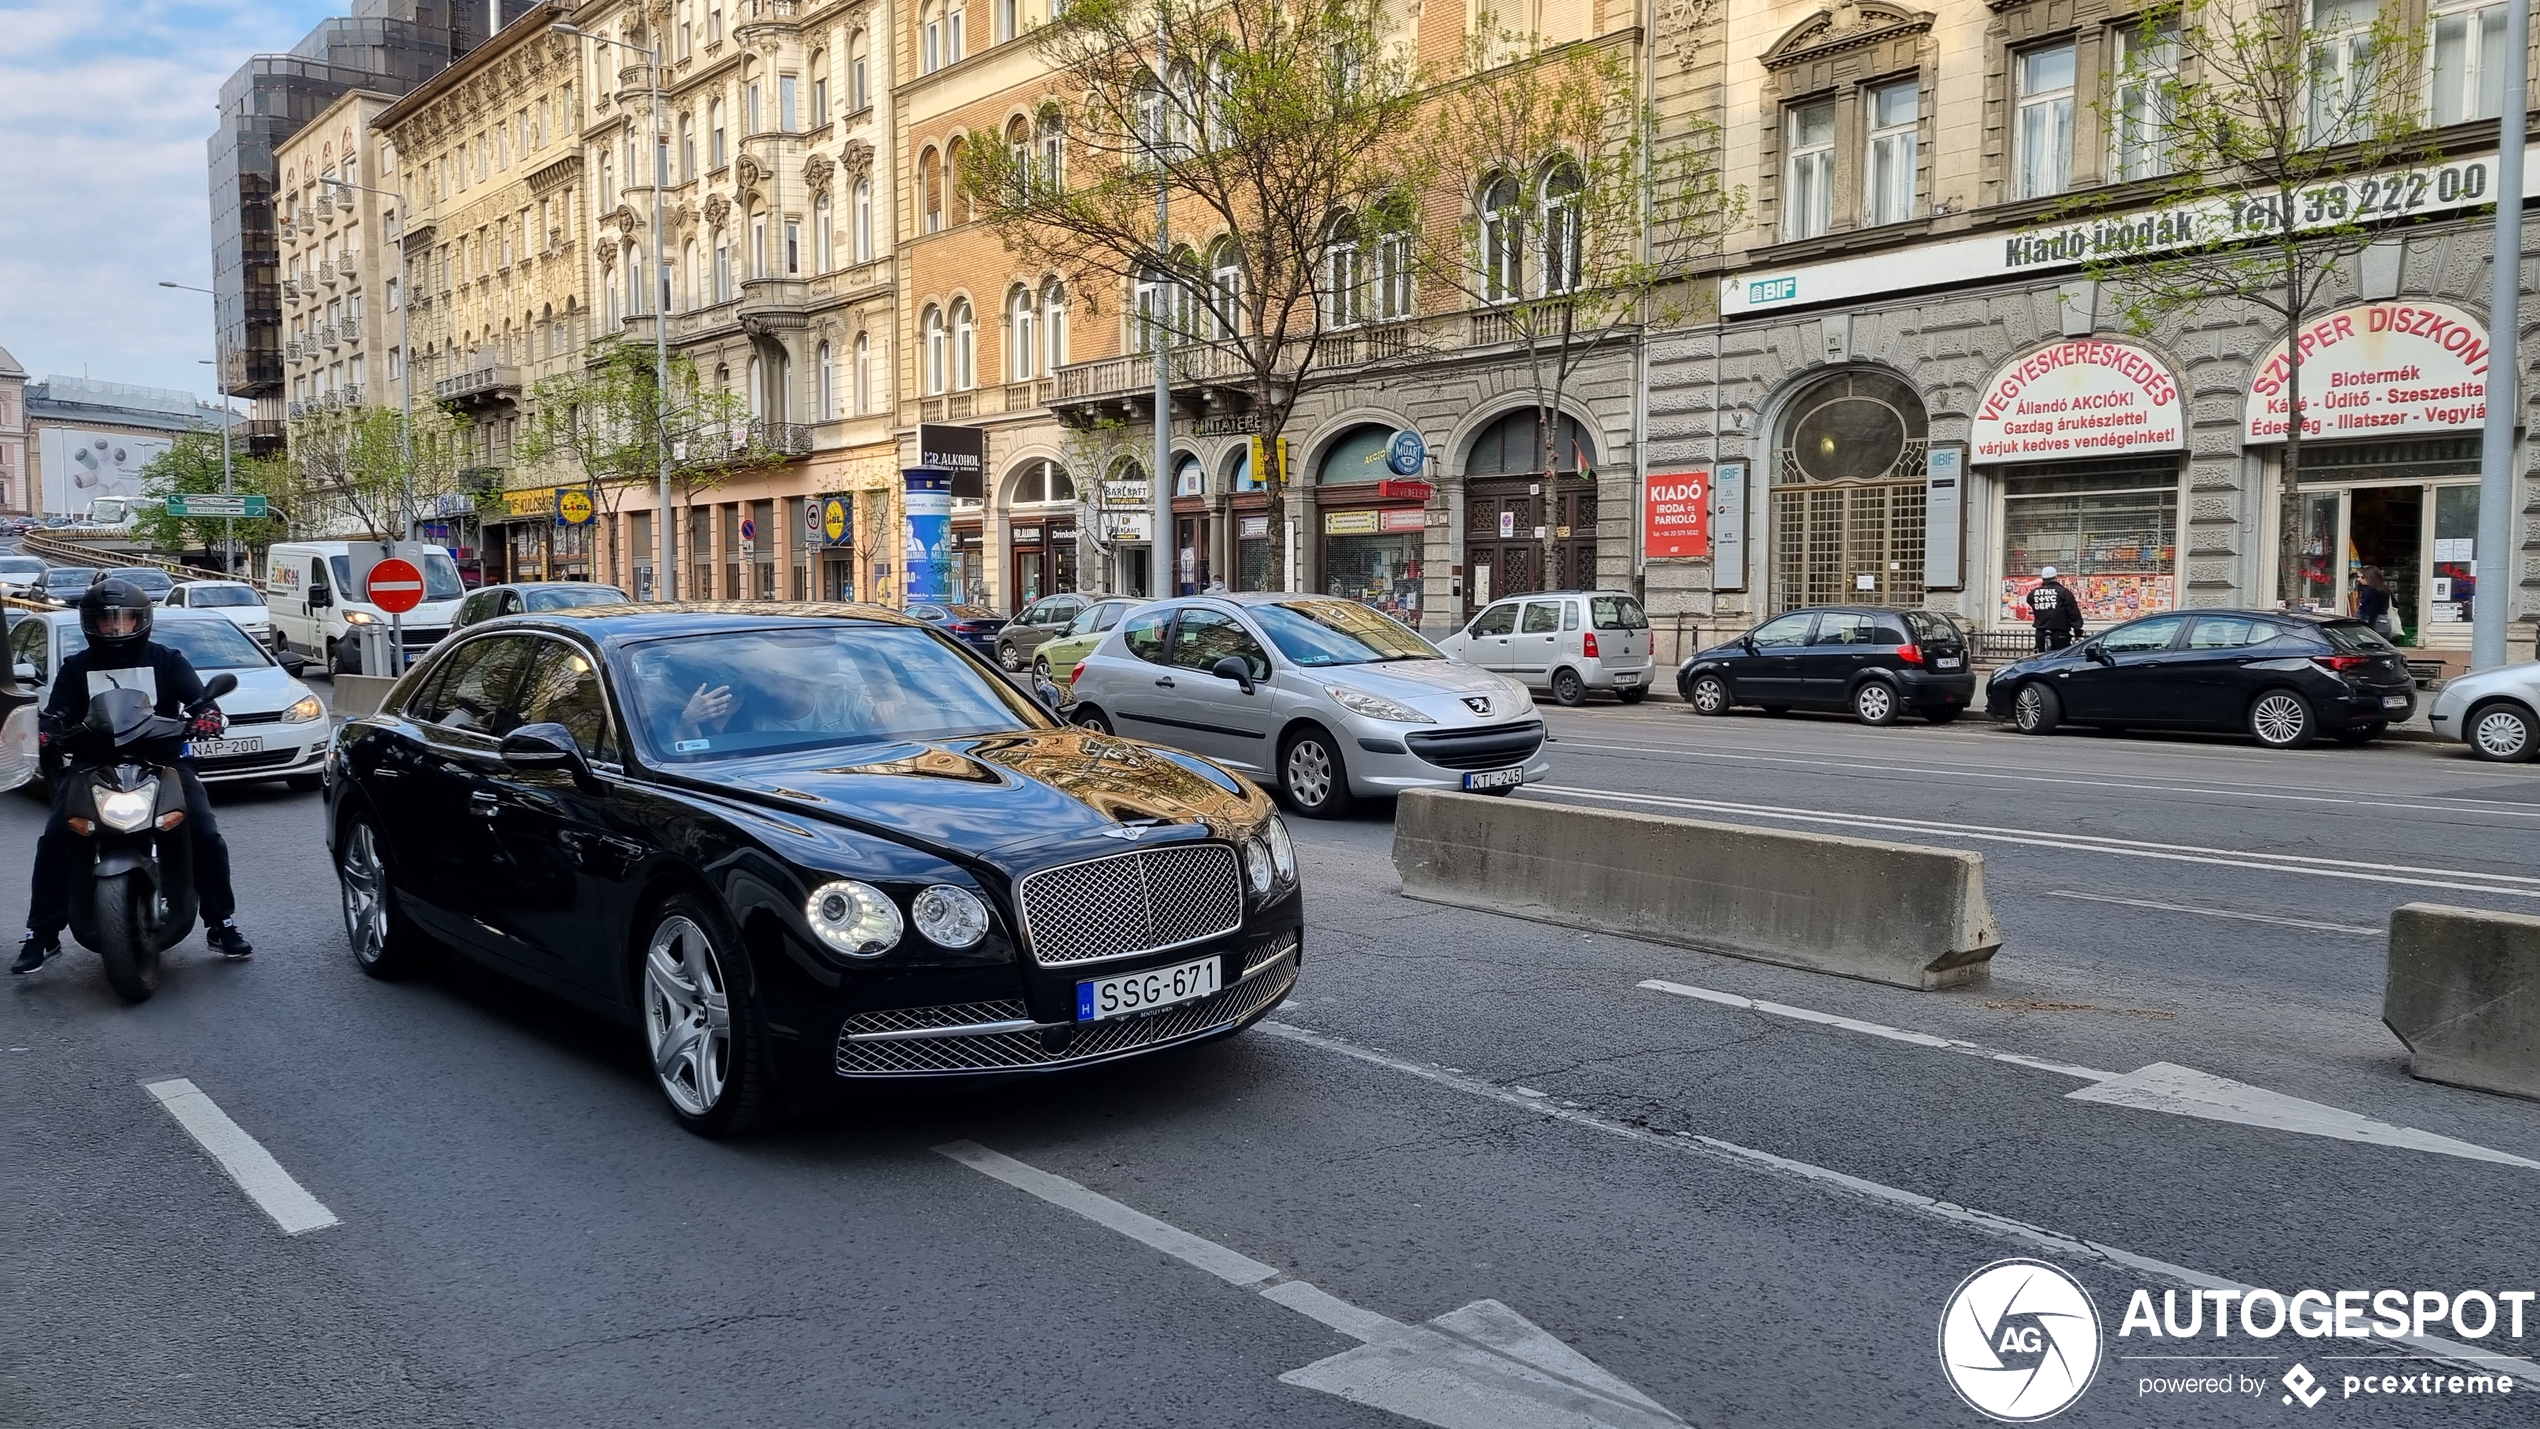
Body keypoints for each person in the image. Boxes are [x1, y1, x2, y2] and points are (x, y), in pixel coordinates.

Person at [14, 580, 250, 974]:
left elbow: (199, 700)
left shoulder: (167, 659)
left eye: (124, 620)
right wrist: (43, 731)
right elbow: (55, 714)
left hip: (165, 762)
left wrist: (206, 715)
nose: (116, 629)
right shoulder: (77, 667)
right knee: (56, 839)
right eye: (106, 622)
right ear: (90, 624)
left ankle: (220, 922)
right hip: (91, 764)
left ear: (144, 620)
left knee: (204, 833)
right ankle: (42, 934)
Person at [2026, 566, 2086, 652]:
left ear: (2043, 578)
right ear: (2056, 577)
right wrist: (2077, 630)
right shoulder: (2063, 592)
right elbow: (2073, 613)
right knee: (2060, 659)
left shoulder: (2034, 593)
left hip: (2041, 632)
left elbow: (2030, 601)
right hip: (2060, 632)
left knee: (2040, 659)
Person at [2354, 566, 2395, 637]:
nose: (2359, 579)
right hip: (2384, 622)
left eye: (2363, 577)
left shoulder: (2369, 591)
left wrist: (2369, 626)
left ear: (2370, 578)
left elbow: (2372, 610)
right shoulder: (2385, 590)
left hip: (2372, 622)